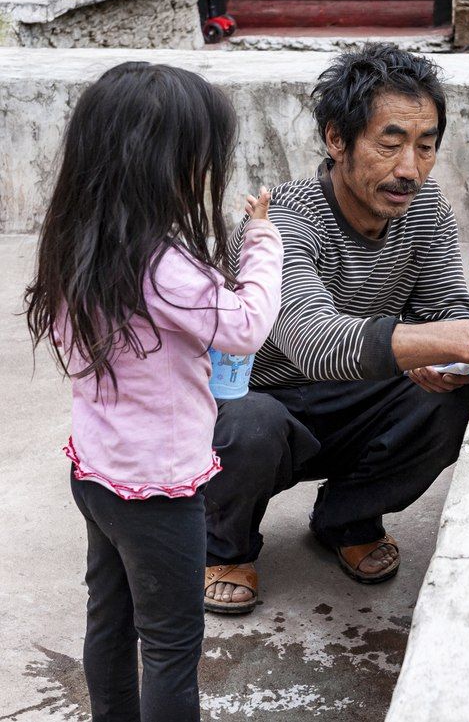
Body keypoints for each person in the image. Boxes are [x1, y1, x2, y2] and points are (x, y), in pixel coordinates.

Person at [204, 44, 469, 614]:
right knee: (250, 424)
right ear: (336, 140)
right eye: (390, 144)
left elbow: (444, 313)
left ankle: (347, 517)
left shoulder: (425, 212)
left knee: (455, 397)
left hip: (359, 396)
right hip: (262, 399)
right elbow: (314, 342)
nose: (409, 169)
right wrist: (466, 338)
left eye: (426, 147)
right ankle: (223, 546)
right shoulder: (283, 219)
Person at [25, 62, 283, 722]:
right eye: (196, 161)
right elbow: (246, 327)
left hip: (97, 473)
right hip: (160, 491)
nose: (202, 175)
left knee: (108, 620)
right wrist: (261, 240)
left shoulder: (76, 245)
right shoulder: (167, 266)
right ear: (157, 167)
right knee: (170, 645)